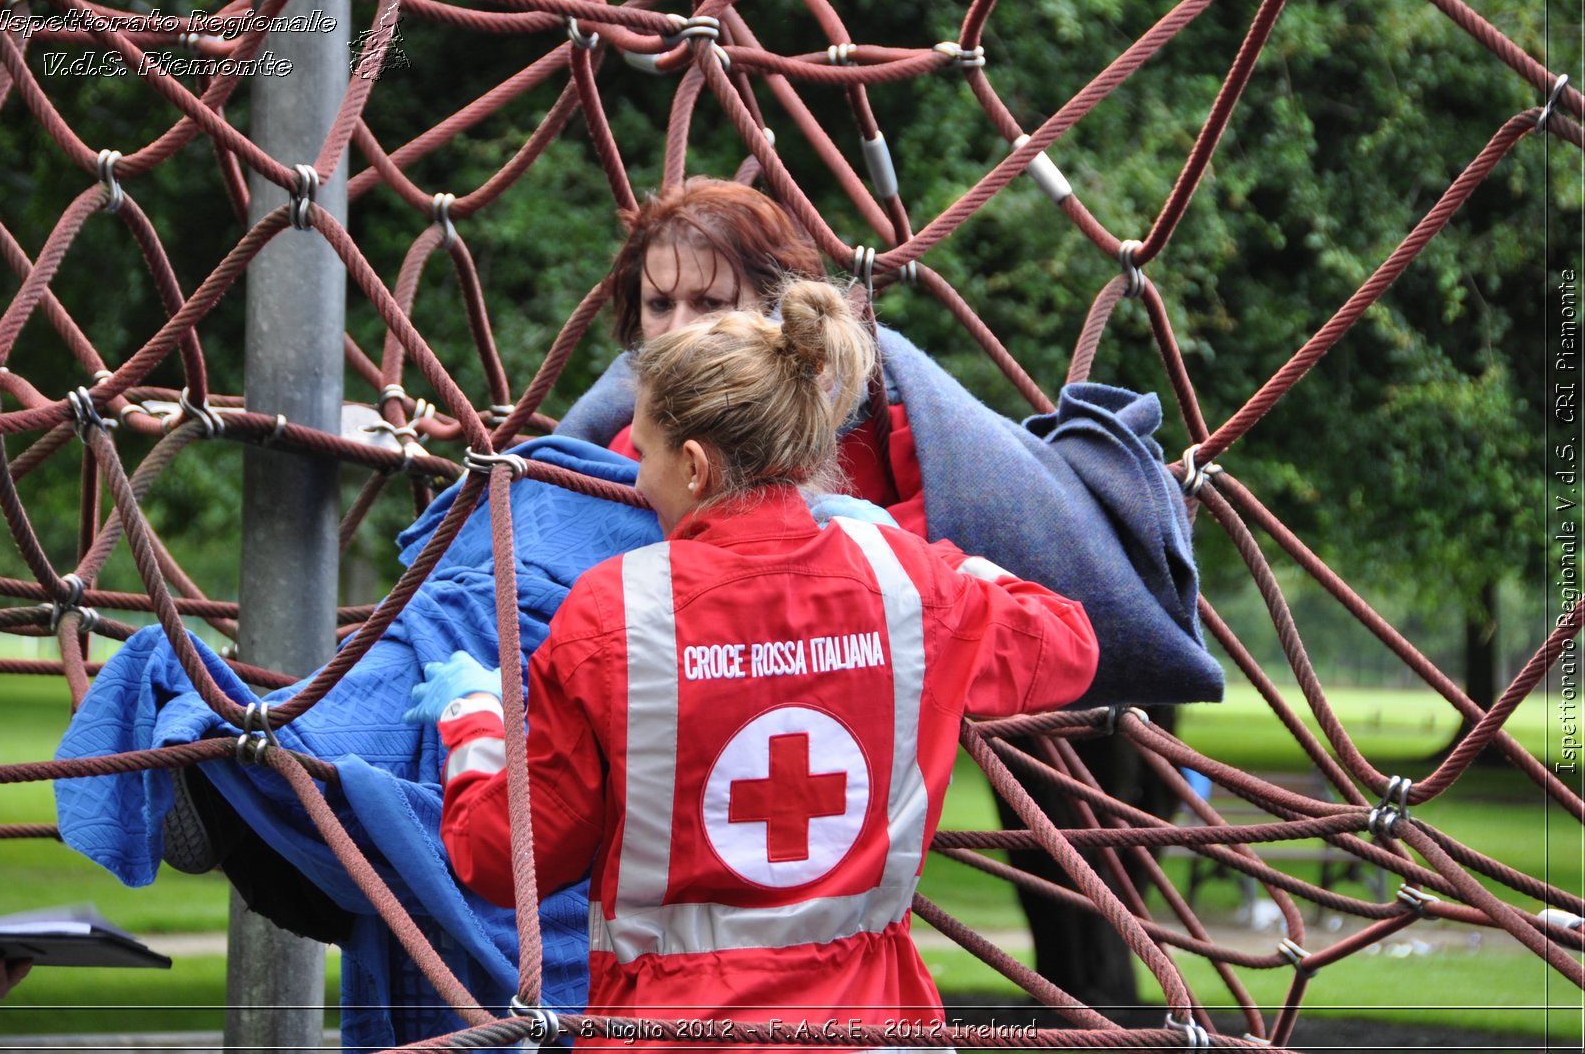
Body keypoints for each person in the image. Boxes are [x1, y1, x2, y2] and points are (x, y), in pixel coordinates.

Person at [429, 280, 1100, 1046]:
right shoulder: (903, 582)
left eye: (642, 453)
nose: (636, 478)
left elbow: (504, 857)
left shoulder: (612, 612)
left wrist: (473, 723)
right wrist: (931, 556)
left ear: (691, 464)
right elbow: (1067, 644)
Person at [592, 176, 928, 535]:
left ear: (776, 309)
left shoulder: (887, 422)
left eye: (710, 303)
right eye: (659, 305)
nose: (678, 326)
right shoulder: (639, 444)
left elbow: (946, 540)